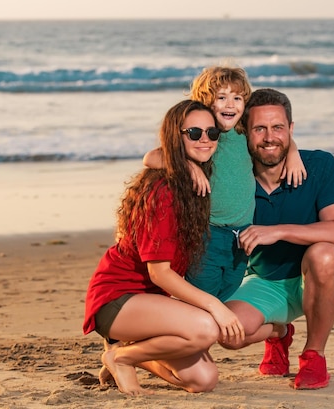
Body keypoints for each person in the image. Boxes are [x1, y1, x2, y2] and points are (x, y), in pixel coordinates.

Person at [82, 99, 245, 396]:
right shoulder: (163, 190)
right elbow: (159, 274)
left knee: (203, 379)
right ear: (176, 136)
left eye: (212, 133)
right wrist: (215, 306)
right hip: (118, 299)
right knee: (206, 327)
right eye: (194, 133)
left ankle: (124, 352)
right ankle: (122, 357)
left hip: (150, 302)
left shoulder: (194, 180)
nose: (205, 139)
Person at [220, 88, 334, 390]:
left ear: (290, 130)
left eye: (278, 127)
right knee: (228, 333)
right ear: (245, 132)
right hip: (265, 283)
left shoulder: (319, 166)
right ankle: (279, 333)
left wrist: (279, 231)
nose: (270, 137)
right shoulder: (233, 180)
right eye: (260, 128)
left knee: (325, 254)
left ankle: (314, 354)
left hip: (324, 278)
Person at [143, 66, 306, 302]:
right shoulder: (204, 136)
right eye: (222, 97)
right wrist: (188, 166)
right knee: (202, 298)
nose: (230, 105)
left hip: (243, 237)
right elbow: (151, 157)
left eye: (237, 98)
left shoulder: (244, 133)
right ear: (206, 101)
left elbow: (274, 137)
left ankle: (276, 332)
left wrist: (293, 152)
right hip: (207, 235)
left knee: (228, 292)